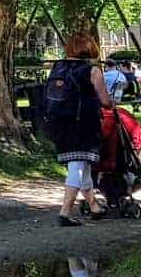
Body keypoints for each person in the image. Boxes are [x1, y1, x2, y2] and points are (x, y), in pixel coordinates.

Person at [44, 33, 114, 226]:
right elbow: (105, 100)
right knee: (78, 166)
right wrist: (112, 105)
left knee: (82, 166)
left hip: (58, 124)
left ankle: (94, 206)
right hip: (83, 124)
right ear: (90, 49)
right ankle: (65, 212)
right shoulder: (92, 71)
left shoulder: (57, 68)